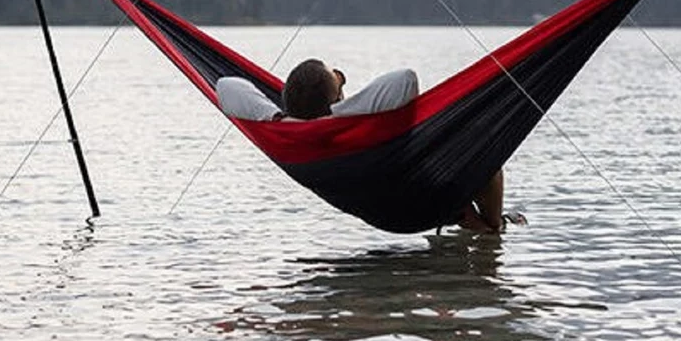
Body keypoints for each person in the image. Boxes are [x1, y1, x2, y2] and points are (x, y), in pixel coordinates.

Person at [216, 59, 524, 233]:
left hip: (383, 210)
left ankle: (464, 218)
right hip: (420, 197)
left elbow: (225, 86)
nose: (342, 80)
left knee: (453, 157)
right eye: (337, 82)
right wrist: (335, 111)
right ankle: (491, 231)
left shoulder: (285, 135)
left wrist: (282, 118)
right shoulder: (356, 126)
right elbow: (405, 79)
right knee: (485, 157)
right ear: (334, 101)